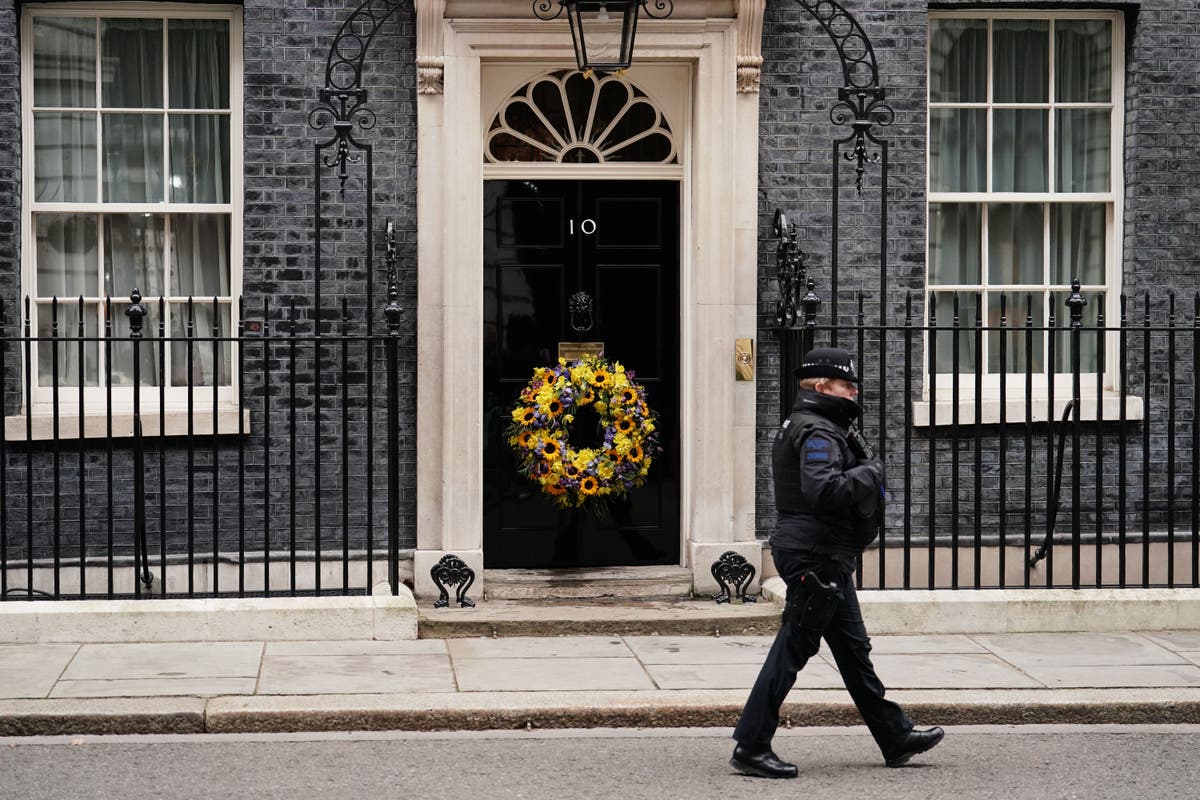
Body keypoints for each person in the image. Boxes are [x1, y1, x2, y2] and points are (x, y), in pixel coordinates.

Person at [730, 347, 943, 778]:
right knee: (795, 646)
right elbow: (823, 491)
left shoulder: (814, 424)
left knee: (852, 650)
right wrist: (873, 472)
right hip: (816, 554)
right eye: (847, 384)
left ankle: (894, 735)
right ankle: (751, 746)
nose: (855, 391)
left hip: (825, 554)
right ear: (823, 386)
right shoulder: (818, 432)